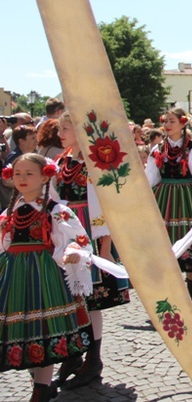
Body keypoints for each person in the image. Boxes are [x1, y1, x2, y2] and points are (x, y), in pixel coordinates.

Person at [0, 153, 93, 401]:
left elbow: (79, 238)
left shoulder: (56, 210)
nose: (22, 178)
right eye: (18, 173)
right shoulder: (9, 212)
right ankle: (40, 381)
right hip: (14, 276)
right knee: (24, 330)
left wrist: (73, 250)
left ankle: (41, 389)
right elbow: (4, 244)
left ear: (44, 176)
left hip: (44, 276)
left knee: (44, 330)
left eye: (29, 173)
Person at [52, 112, 130, 389]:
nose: (60, 132)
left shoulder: (91, 163)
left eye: (65, 127)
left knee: (90, 298)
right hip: (65, 233)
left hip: (87, 233)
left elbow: (102, 206)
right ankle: (75, 353)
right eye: (59, 127)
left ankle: (93, 359)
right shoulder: (63, 160)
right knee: (71, 297)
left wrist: (105, 247)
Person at [146, 108, 192, 300]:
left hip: (187, 198)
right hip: (164, 198)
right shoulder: (158, 149)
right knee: (165, 243)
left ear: (182, 123)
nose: (168, 125)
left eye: (172, 121)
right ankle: (170, 291)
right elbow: (151, 178)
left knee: (190, 244)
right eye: (166, 121)